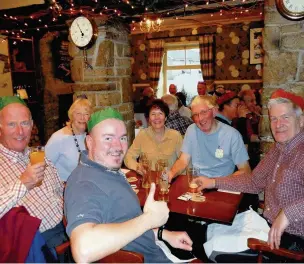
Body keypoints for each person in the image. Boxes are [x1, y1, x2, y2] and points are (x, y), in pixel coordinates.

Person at [64, 108, 193, 263]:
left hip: (156, 248)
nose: (118, 146)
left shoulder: (108, 170)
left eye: (123, 138)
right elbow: (83, 250)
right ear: (89, 142)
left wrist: (162, 234)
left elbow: (124, 222)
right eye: (108, 138)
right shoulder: (84, 184)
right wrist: (149, 219)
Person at [194, 89, 304, 254]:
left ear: (301, 120)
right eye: (273, 119)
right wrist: (213, 182)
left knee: (206, 247)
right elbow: (253, 182)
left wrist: (287, 214)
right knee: (203, 233)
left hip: (292, 241)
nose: (278, 125)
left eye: (285, 117)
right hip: (266, 226)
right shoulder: (278, 149)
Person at [0, 96, 66, 250]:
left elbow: (59, 191)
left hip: (67, 229)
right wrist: (22, 184)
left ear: (32, 125)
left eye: (24, 123)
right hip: (34, 246)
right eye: (11, 124)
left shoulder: (39, 155)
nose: (20, 131)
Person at [168, 95, 250, 181]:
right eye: (195, 115)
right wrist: (171, 173)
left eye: (204, 112)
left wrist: (213, 182)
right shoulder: (192, 130)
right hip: (197, 184)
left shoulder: (232, 135)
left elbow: (245, 171)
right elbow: (183, 161)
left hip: (221, 186)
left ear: (214, 111)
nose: (200, 119)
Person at [125, 99, 183, 174]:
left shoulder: (175, 136)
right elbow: (128, 157)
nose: (157, 117)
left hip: (169, 181)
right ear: (149, 118)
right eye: (153, 114)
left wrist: (173, 173)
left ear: (165, 118)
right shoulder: (142, 135)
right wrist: (137, 166)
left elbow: (183, 160)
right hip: (147, 181)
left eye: (160, 113)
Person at [45, 97, 92, 181]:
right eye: (78, 113)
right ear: (71, 116)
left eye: (86, 114)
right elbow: (44, 168)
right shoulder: (58, 138)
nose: (82, 118)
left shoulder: (91, 136)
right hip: (64, 188)